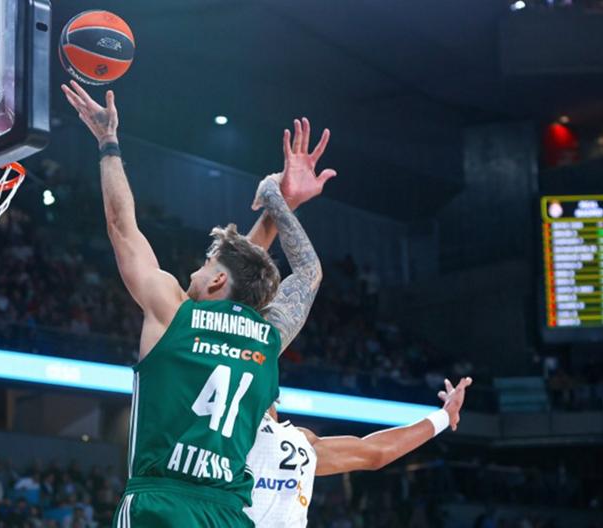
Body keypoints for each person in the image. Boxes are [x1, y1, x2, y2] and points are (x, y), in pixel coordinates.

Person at [62, 80, 331, 527]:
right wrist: (279, 205)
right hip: (228, 514)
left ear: (218, 279)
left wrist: (108, 142)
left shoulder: (174, 313)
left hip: (161, 504)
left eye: (205, 264)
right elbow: (298, 273)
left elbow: (122, 225)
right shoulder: (268, 338)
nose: (194, 272)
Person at [244, 377, 472, 527]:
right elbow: (377, 452)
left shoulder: (231, 437)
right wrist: (445, 416)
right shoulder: (299, 440)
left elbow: (376, 453)